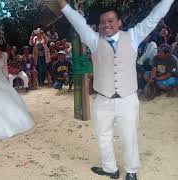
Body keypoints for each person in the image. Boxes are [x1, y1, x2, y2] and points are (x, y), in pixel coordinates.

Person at [58, 0, 175, 179]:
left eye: (111, 21)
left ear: (119, 22)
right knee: (103, 135)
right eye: (103, 22)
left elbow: (154, 17)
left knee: (129, 136)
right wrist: (64, 5)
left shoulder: (134, 36)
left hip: (127, 98)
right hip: (103, 99)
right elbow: (78, 22)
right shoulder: (94, 40)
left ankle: (131, 171)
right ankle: (110, 168)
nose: (106, 25)